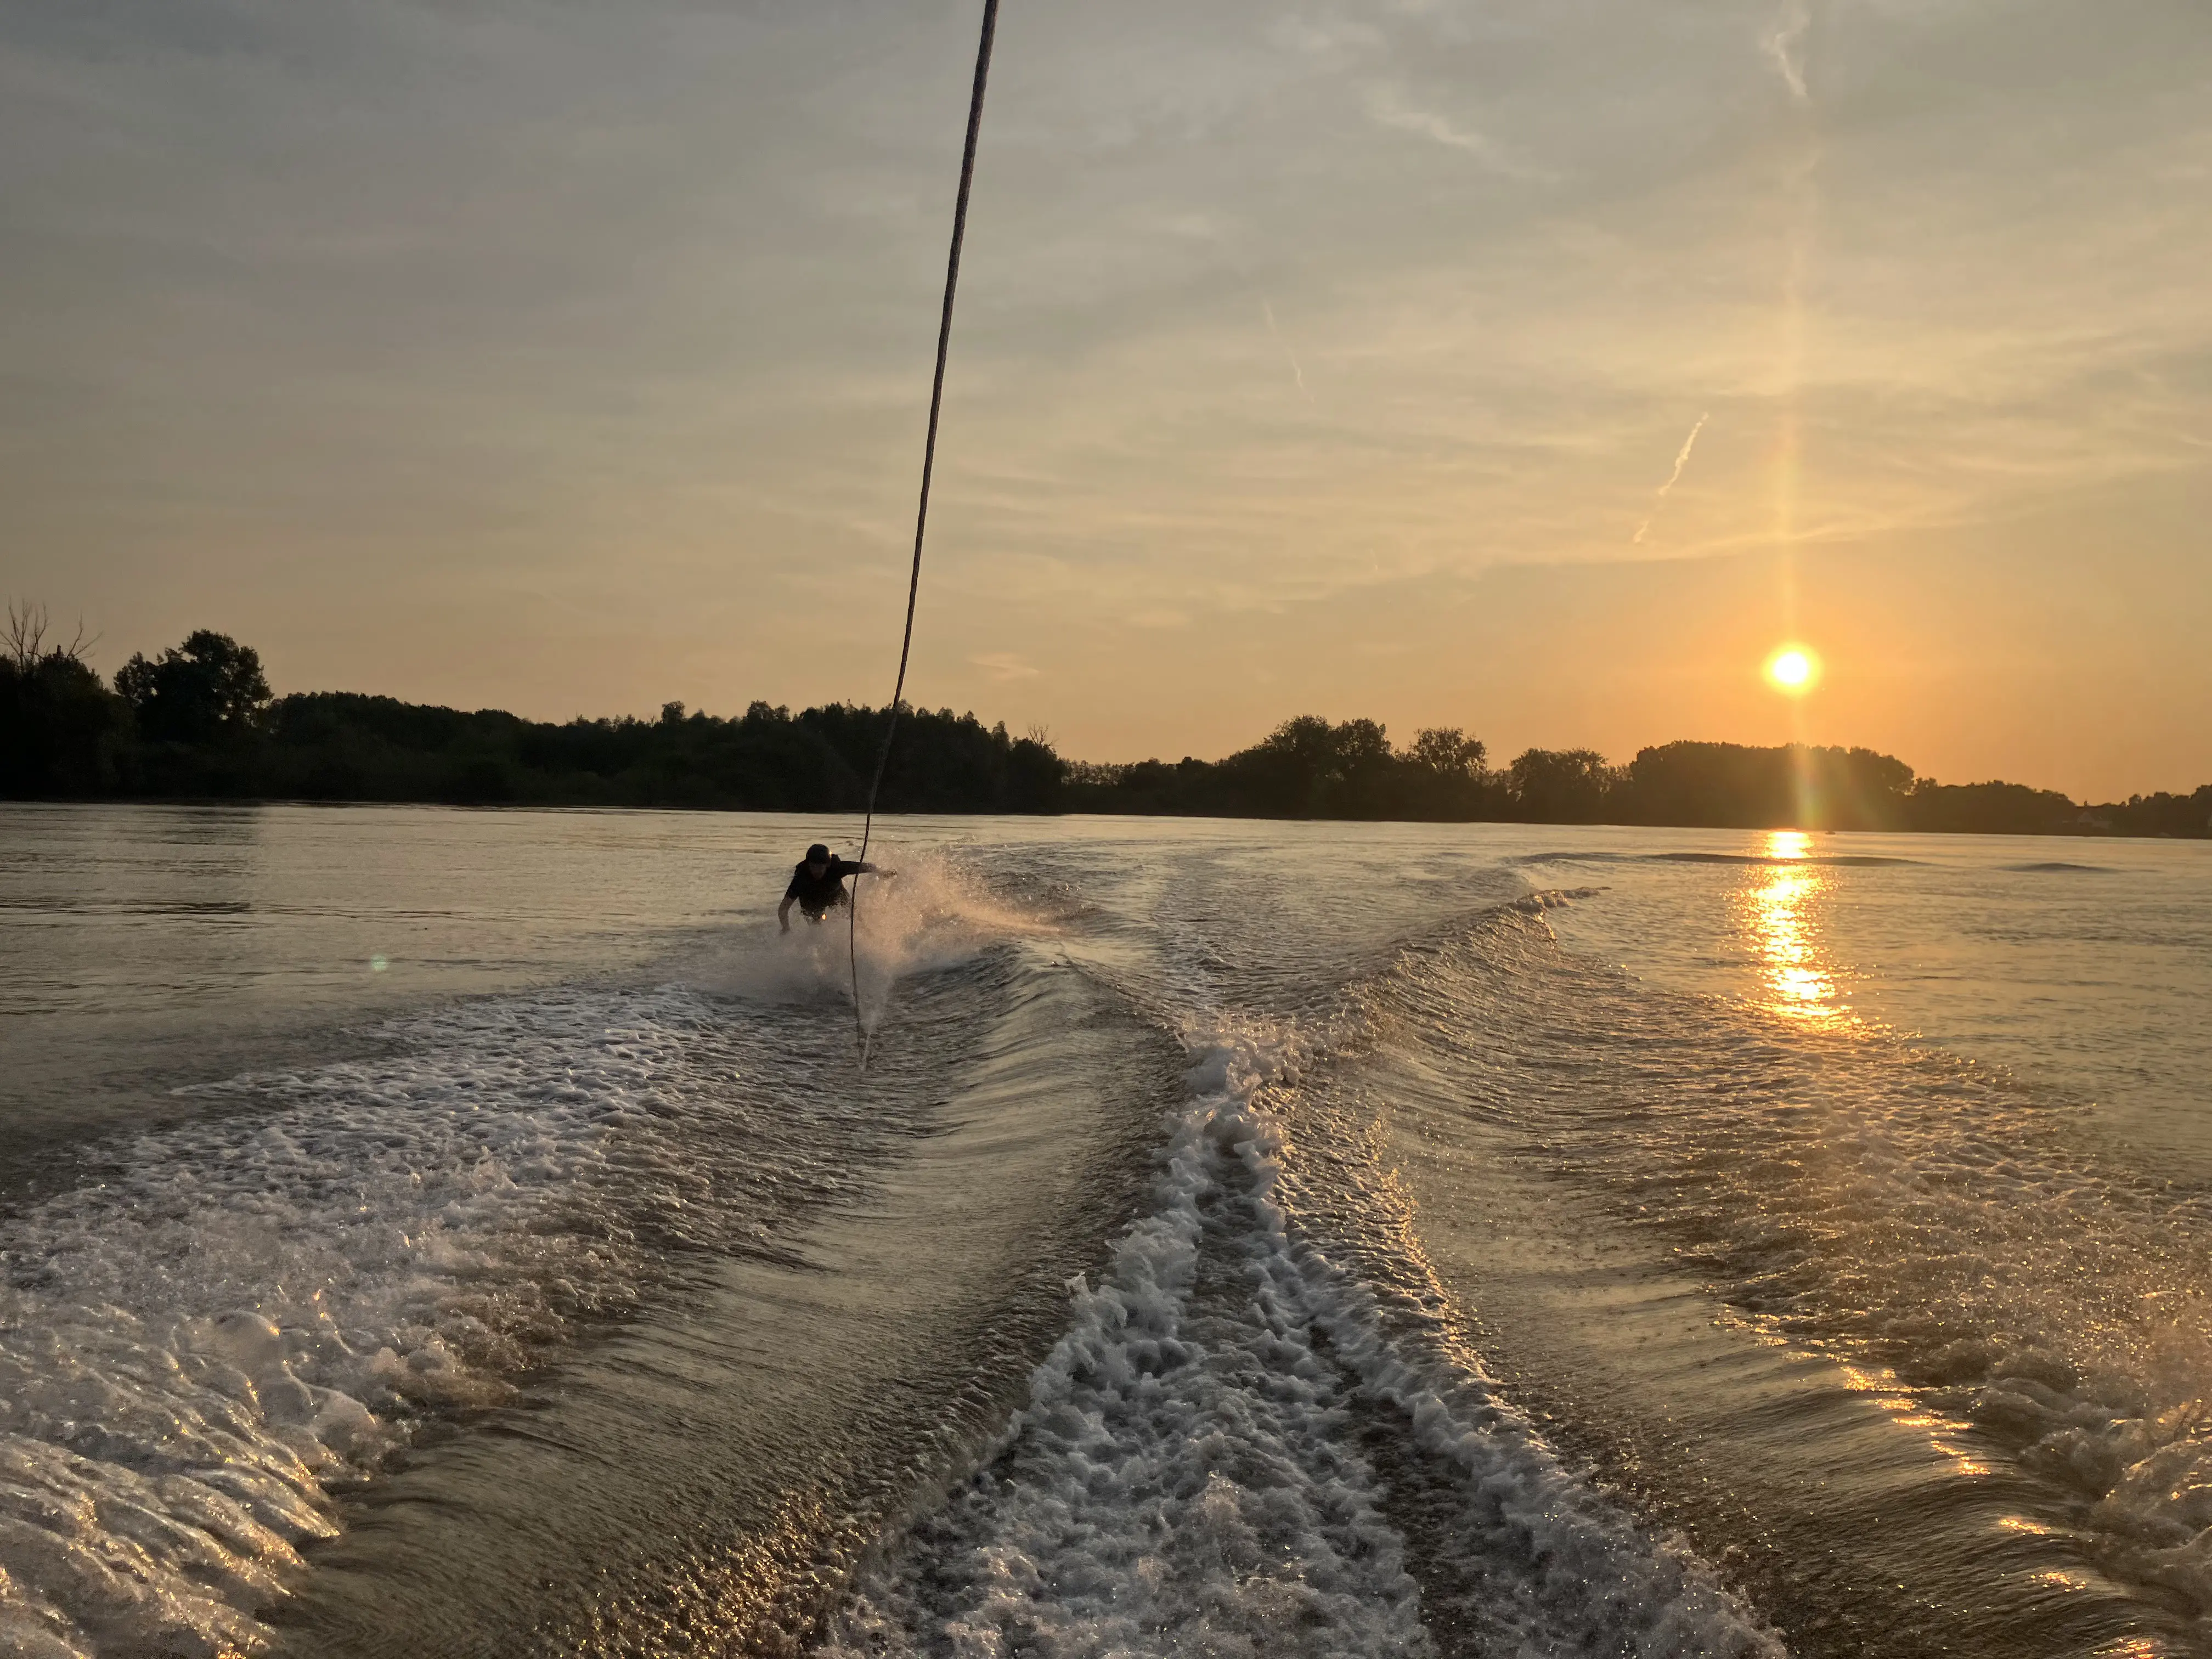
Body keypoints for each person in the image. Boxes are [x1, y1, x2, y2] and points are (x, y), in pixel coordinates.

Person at [778, 843, 891, 932]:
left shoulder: (837, 868)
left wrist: (881, 873)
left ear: (827, 865)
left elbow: (867, 867)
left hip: (837, 895)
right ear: (808, 864)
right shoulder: (801, 878)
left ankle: (866, 936)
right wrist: (786, 929)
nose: (816, 871)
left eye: (820, 868)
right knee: (816, 930)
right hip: (811, 901)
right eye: (813, 866)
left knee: (856, 918)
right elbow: (783, 908)